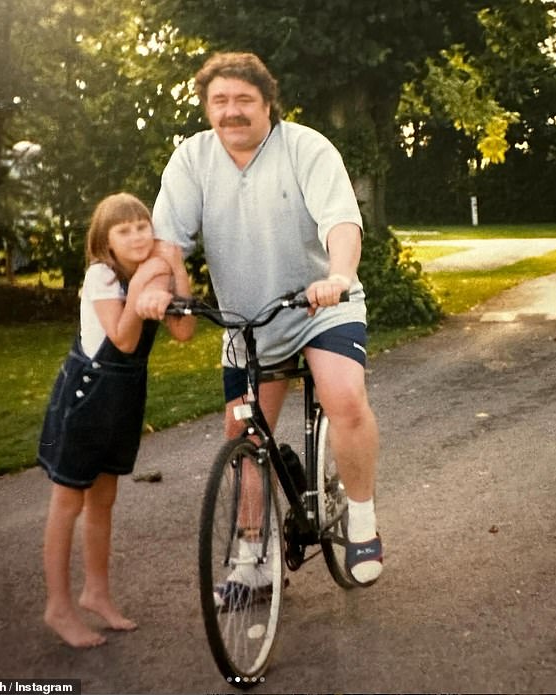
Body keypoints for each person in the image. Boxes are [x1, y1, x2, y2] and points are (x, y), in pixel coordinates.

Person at [140, 52, 382, 599]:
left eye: (243, 100)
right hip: (248, 319)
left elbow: (341, 222)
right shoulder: (192, 159)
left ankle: (362, 522)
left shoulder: (306, 147)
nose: (231, 112)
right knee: (244, 436)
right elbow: (167, 242)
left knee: (342, 395)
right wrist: (161, 286)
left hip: (320, 305)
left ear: (267, 102)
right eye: (219, 101)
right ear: (206, 107)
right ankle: (253, 560)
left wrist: (339, 275)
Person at [38, 192, 195, 648]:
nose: (137, 235)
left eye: (142, 226)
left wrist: (176, 272)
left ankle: (97, 592)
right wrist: (148, 276)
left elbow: (184, 331)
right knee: (68, 501)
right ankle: (58, 606)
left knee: (103, 499)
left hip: (123, 398)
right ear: (105, 242)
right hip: (87, 395)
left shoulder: (154, 271)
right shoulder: (103, 276)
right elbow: (124, 341)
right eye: (124, 230)